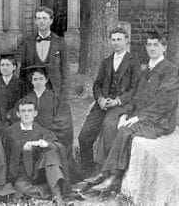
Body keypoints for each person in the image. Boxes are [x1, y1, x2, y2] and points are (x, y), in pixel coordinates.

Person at [87, 31, 179, 192]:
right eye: (149, 44)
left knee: (125, 131)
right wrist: (125, 114)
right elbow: (135, 98)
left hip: (160, 118)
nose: (151, 48)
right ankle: (102, 171)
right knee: (113, 123)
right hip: (142, 114)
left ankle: (112, 177)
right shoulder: (146, 70)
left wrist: (138, 118)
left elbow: (165, 103)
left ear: (164, 47)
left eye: (155, 44)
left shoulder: (170, 70)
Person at [78, 28, 141, 176]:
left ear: (126, 40)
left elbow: (135, 88)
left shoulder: (134, 62)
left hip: (120, 105)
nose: (116, 43)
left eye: (119, 39)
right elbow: (97, 84)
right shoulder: (106, 62)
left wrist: (118, 100)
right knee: (84, 135)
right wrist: (100, 99)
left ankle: (104, 171)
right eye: (113, 40)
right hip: (102, 105)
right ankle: (87, 171)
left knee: (108, 128)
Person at [0, 98, 71, 205]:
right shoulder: (9, 132)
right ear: (18, 114)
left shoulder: (42, 131)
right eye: (23, 111)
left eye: (29, 111)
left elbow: (57, 146)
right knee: (20, 186)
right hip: (20, 173)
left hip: (38, 172)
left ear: (35, 113)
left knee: (51, 154)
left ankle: (59, 199)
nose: (26, 114)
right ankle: (50, 191)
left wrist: (43, 143)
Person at [20, 64, 83, 183]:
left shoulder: (56, 98)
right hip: (31, 137)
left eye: (40, 79)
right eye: (35, 79)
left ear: (46, 80)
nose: (38, 82)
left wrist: (45, 133)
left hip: (51, 137)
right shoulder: (26, 99)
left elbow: (64, 123)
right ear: (31, 81)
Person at [19, 7, 69, 98]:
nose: (41, 21)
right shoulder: (28, 42)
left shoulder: (60, 42)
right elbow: (23, 71)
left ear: (51, 21)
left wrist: (63, 96)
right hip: (32, 89)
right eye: (38, 18)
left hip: (53, 89)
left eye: (44, 18)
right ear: (35, 21)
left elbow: (64, 71)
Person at [0, 53, 28, 127]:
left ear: (14, 67)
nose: (4, 68)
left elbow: (24, 107)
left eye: (8, 65)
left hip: (15, 124)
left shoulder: (21, 85)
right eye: (2, 65)